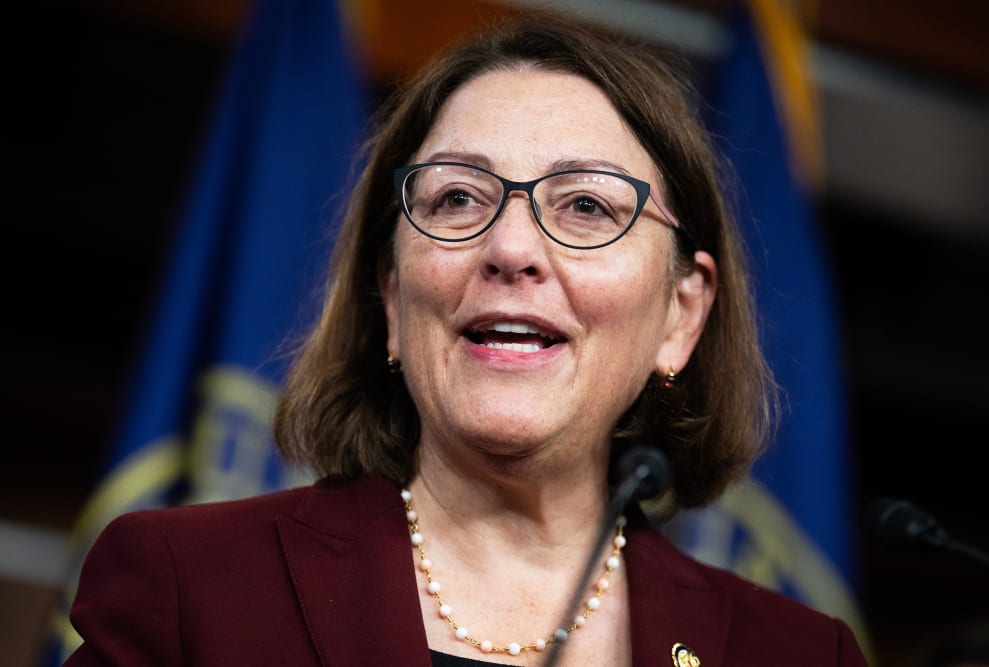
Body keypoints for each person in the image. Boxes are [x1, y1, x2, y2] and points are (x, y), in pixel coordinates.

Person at [63, 13, 868, 666]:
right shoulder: (189, 586)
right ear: (388, 292)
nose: (511, 249)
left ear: (681, 315)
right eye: (456, 199)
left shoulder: (796, 653)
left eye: (585, 206)